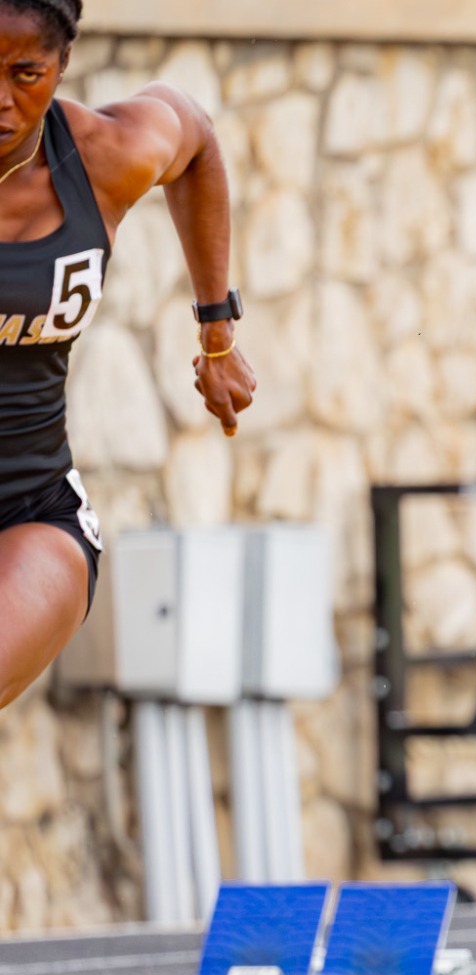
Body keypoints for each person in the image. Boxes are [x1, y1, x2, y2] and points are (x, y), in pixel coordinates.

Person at [0, 0, 254, 712]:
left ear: (62, 67)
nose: (1, 99)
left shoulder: (104, 156)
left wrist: (217, 333)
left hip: (32, 512)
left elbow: (197, 140)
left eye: (26, 73)